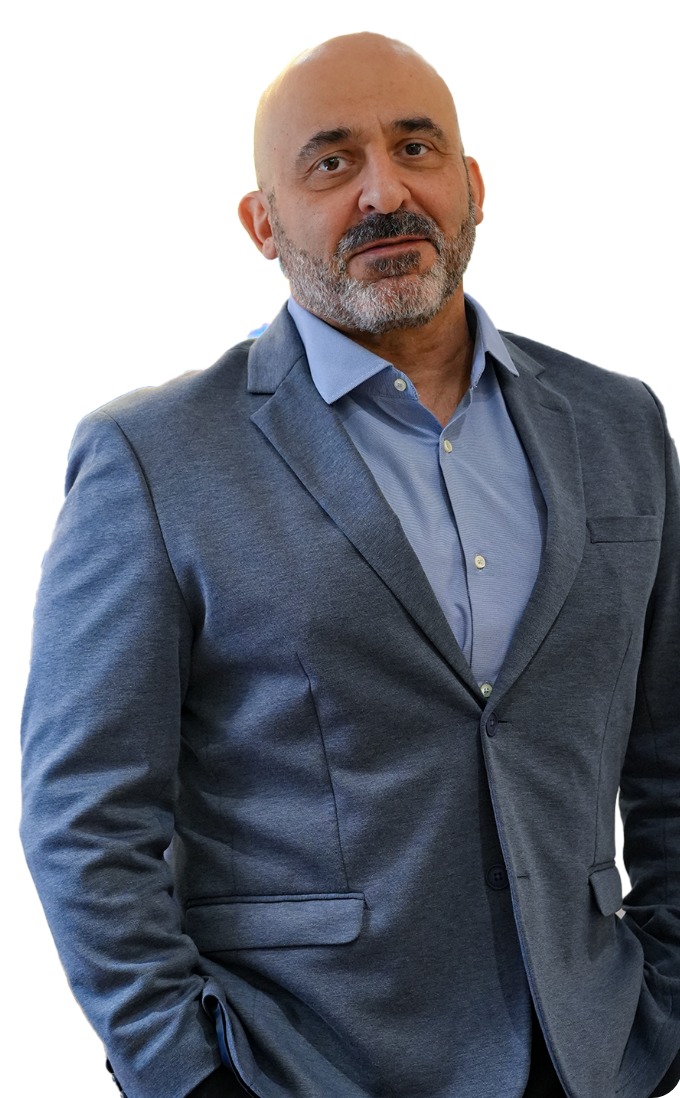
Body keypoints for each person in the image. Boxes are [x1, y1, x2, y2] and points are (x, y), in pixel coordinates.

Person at [19, 30, 679, 1098]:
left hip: (598, 1053)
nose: (385, 192)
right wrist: (185, 1074)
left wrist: (662, 1010)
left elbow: (665, 757)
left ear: (472, 186)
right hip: (305, 1063)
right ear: (261, 223)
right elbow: (84, 815)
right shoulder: (153, 455)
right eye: (330, 163)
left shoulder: (619, 421)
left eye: (416, 149)